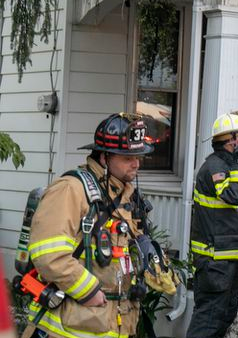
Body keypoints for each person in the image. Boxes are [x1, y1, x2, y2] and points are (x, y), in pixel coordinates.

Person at [25, 113, 152, 338]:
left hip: (110, 325)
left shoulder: (125, 196)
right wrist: (88, 291)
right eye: (127, 157)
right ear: (104, 158)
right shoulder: (71, 189)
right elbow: (48, 254)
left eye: (138, 156)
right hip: (67, 329)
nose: (136, 164)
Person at [188, 112, 238, 338]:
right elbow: (233, 196)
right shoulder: (215, 167)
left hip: (230, 257)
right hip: (214, 260)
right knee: (209, 319)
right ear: (231, 140)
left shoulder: (232, 167)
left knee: (226, 315)